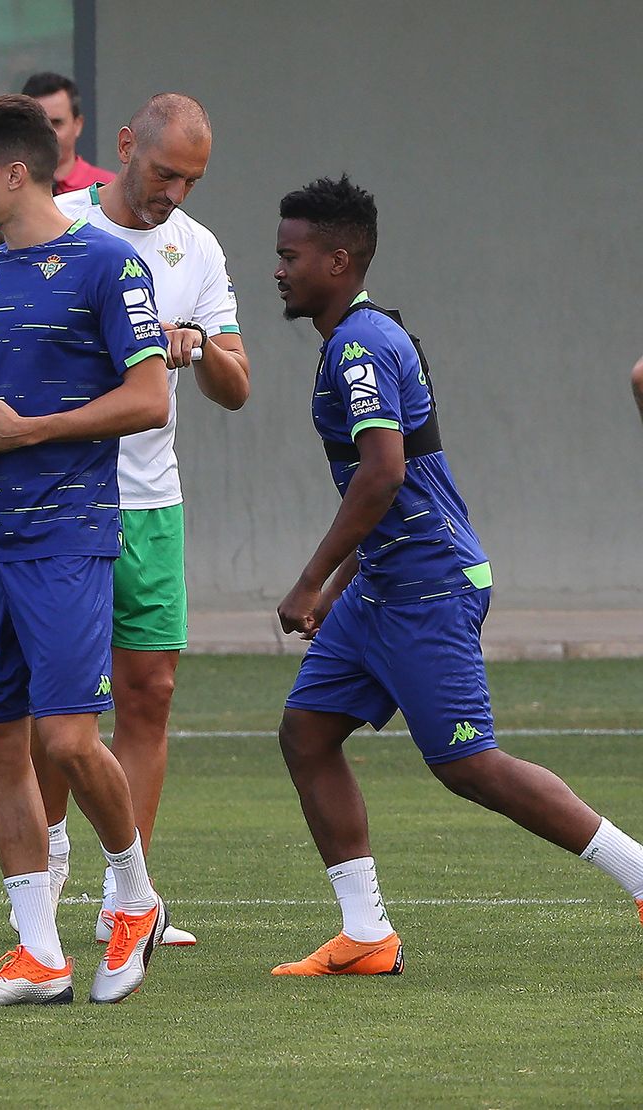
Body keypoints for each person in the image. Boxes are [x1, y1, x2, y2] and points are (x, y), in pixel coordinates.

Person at [271, 174, 643, 976]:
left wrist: (309, 582)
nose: (277, 269)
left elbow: (383, 474)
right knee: (306, 734)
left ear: (338, 261)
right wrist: (342, 593)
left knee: (468, 764)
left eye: (289, 255)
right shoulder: (354, 339)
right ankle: (366, 935)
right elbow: (386, 488)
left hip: (429, 581)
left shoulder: (362, 346)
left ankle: (641, 875)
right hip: (385, 583)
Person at [0, 95, 170, 1006]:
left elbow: (151, 400)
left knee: (67, 738)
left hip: (67, 534)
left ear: (15, 172)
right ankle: (38, 953)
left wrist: (29, 432)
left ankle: (136, 897)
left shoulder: (109, 266)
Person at [36, 93, 250, 949]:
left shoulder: (197, 249)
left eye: (191, 181)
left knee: (149, 695)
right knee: (54, 703)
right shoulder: (58, 227)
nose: (175, 195)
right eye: (164, 173)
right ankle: (43, 875)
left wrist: (195, 344)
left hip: (151, 502)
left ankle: (130, 898)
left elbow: (238, 384)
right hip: (61, 495)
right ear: (125, 147)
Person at [0, 72, 112, 253]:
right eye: (37, 125)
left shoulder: (107, 188)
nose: (48, 134)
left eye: (57, 123)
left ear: (78, 124)